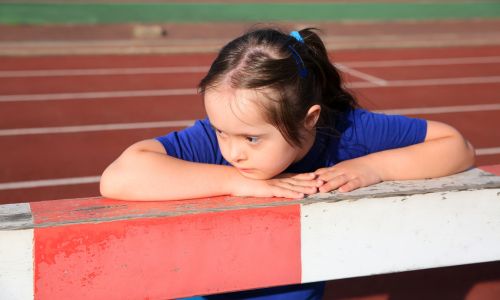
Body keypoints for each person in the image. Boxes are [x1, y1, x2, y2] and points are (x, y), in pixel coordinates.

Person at [100, 28, 475, 299]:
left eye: (251, 139)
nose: (233, 152)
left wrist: (372, 168)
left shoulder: (344, 132)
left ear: (309, 120)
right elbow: (119, 177)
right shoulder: (223, 147)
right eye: (220, 132)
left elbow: (456, 146)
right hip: (200, 287)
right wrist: (240, 182)